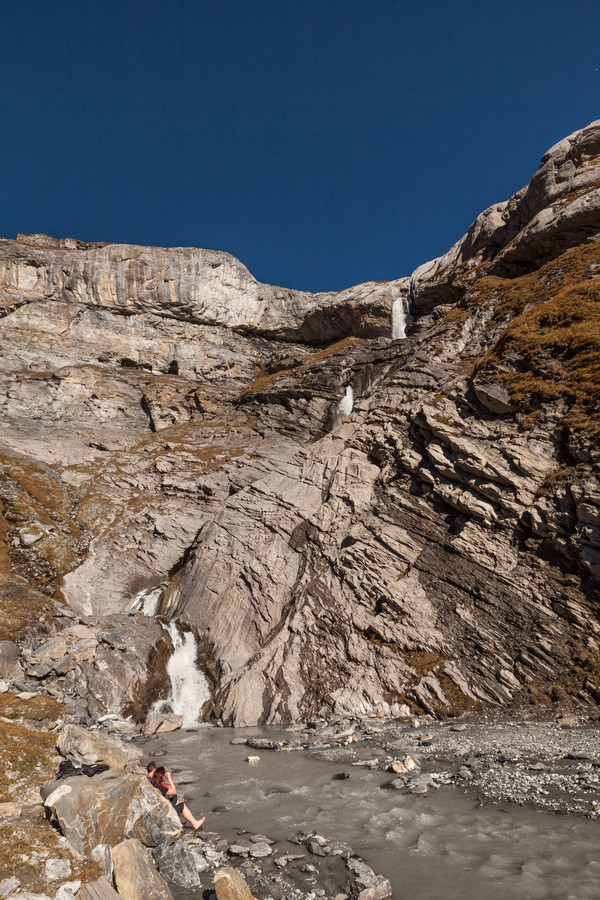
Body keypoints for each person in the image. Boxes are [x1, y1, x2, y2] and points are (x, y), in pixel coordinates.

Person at [150, 765, 205, 830]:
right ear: (162, 776)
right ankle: (195, 823)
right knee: (182, 805)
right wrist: (169, 778)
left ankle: (179, 822)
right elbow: (173, 791)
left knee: (174, 798)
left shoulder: (153, 784)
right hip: (163, 813)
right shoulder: (161, 786)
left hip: (157, 809)